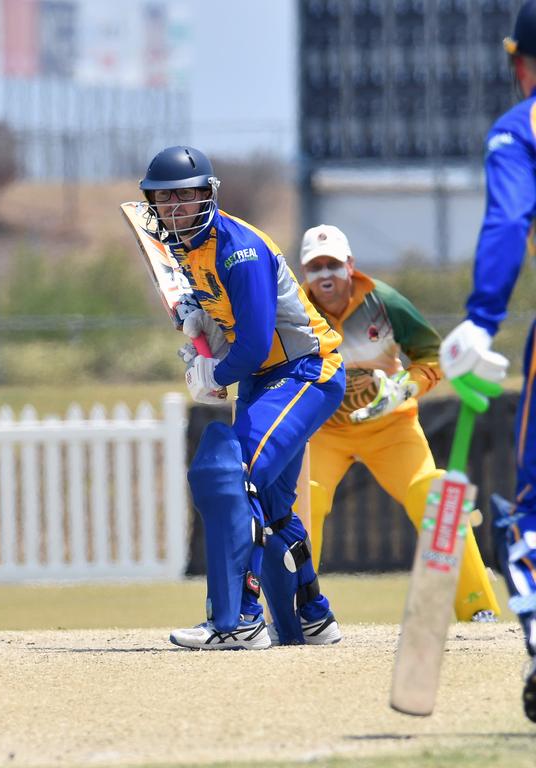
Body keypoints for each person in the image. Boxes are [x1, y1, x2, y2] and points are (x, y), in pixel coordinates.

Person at [135, 146, 346, 650]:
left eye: (186, 196)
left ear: (208, 194)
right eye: (164, 200)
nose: (174, 208)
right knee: (272, 508)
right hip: (262, 379)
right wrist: (198, 321)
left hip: (304, 371)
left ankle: (241, 620)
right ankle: (313, 616)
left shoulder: (239, 248)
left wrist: (214, 373)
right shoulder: (186, 250)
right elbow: (227, 319)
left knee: (233, 475)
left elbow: (252, 343)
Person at [298, 225, 501, 623]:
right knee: (307, 497)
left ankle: (478, 607)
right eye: (316, 266)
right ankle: (298, 613)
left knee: (435, 492)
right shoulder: (295, 309)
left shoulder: (383, 302)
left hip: (390, 427)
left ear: (350, 265)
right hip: (326, 430)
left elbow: (433, 355)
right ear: (304, 272)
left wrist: (405, 388)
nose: (326, 275)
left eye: (334, 265)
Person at [440, 0, 536, 723]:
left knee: (532, 513)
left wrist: (481, 319)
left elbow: (508, 221)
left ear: (519, 61)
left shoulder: (521, 128)